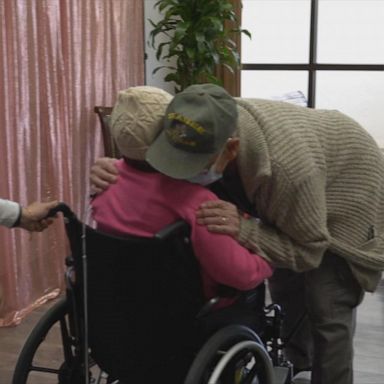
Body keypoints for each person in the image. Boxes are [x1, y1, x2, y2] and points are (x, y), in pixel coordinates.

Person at [90, 85, 384, 384]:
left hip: (348, 183)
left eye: (193, 166)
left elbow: (309, 250)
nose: (182, 174)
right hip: (291, 182)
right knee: (285, 287)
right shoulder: (198, 125)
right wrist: (117, 168)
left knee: (328, 305)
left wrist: (247, 231)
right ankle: (300, 365)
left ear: (231, 149)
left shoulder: (289, 172)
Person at [91, 84, 272, 303]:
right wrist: (265, 260)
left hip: (117, 304)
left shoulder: (104, 181)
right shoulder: (196, 202)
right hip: (185, 312)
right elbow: (241, 275)